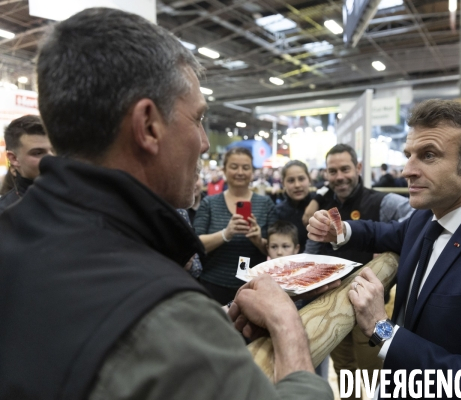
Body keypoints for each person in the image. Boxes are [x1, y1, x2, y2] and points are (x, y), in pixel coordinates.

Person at [0, 8, 332, 400]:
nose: (205, 142)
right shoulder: (165, 315)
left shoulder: (16, 231)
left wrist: (214, 326)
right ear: (148, 126)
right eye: (198, 118)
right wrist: (288, 327)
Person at [308, 99, 461, 397]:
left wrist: (382, 329)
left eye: (428, 156)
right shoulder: (423, 220)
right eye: (408, 155)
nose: (407, 170)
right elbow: (385, 233)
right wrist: (340, 230)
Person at [304, 143, 413, 394]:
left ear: (358, 168)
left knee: (376, 378)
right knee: (345, 374)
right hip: (331, 308)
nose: (339, 176)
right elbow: (312, 250)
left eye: (345, 169)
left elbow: (415, 219)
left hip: (371, 311)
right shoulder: (323, 206)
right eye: (333, 171)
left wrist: (389, 249)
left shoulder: (381, 201)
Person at [194, 147, 278, 305]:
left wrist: (259, 241)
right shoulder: (209, 203)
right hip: (213, 285)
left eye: (245, 167)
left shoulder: (266, 204)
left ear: (252, 172)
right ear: (224, 170)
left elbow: (277, 248)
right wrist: (226, 233)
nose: (240, 172)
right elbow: (196, 244)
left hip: (254, 287)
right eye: (234, 167)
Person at [0, 115, 53, 214]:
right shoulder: (4, 215)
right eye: (38, 153)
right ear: (14, 158)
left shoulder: (78, 200)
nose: (51, 158)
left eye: (54, 150)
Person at [275, 160, 315, 253]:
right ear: (283, 183)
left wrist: (317, 200)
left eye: (301, 179)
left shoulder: (320, 203)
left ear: (309, 179)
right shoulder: (278, 211)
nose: (297, 185)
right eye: (291, 180)